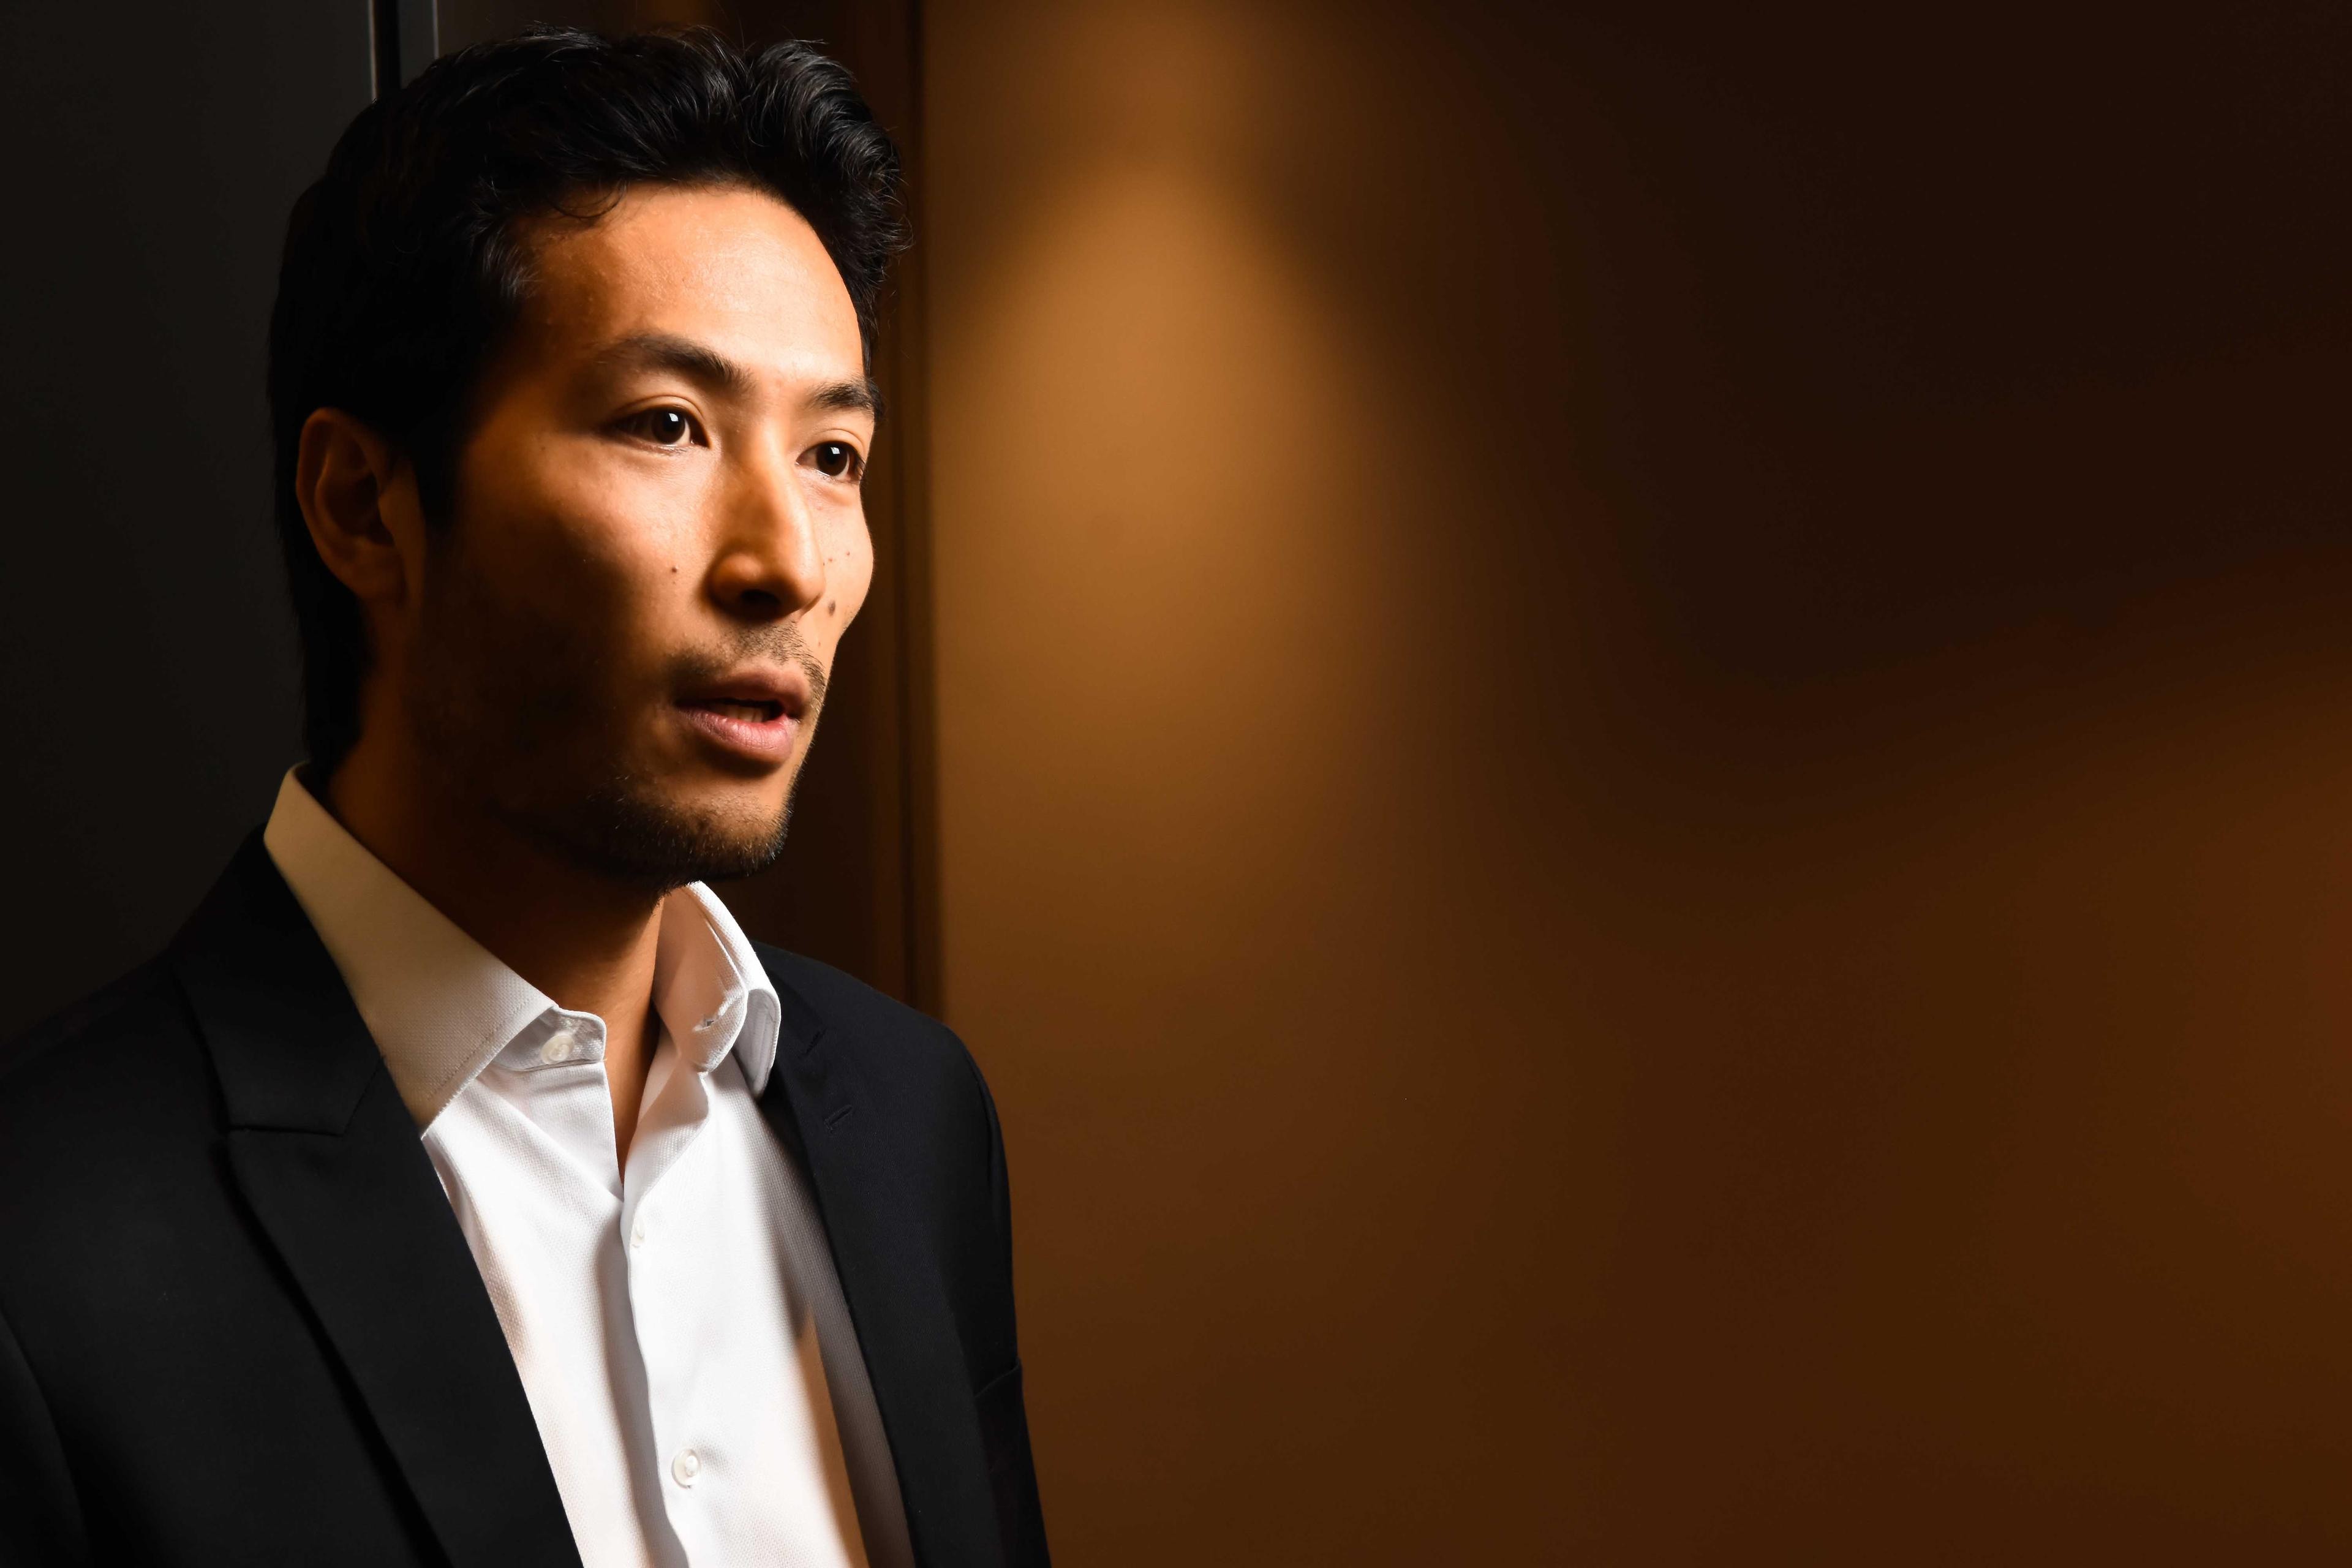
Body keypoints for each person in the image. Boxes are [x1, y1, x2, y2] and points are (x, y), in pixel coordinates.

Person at [0, 27, 1046, 1568]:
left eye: (834, 453)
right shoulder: (44, 1238)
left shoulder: (913, 1114)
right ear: (365, 505)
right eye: (667, 424)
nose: (789, 563)